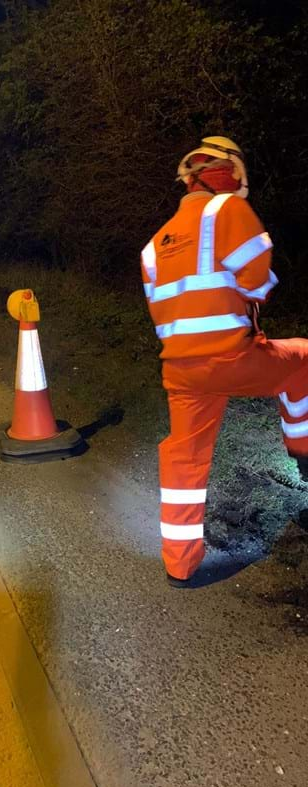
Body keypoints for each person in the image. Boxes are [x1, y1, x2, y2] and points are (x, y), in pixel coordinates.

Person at [141, 135, 308, 587]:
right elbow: (257, 282)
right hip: (233, 357)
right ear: (227, 173)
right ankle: (304, 452)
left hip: (181, 370)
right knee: (304, 359)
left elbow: (164, 313)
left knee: (184, 456)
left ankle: (179, 563)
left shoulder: (154, 245)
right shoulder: (228, 212)